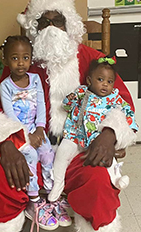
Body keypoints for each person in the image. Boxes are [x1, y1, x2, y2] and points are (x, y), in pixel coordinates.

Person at [0, 0, 137, 232]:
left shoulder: (91, 59)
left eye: (58, 20)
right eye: (43, 21)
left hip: (80, 147)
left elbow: (123, 103)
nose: (51, 27)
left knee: (99, 182)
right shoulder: (22, 63)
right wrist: (8, 144)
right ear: (33, 27)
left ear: (70, 23)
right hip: (31, 150)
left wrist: (109, 134)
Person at [0, 35, 70, 231]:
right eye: (14, 58)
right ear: (5, 60)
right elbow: (10, 114)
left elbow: (41, 105)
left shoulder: (36, 79)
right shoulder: (5, 86)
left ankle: (51, 194)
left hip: (36, 128)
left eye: (25, 58)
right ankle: (34, 200)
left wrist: (40, 128)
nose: (21, 63)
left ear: (31, 59)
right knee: (29, 154)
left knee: (48, 153)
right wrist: (25, 135)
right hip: (19, 132)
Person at [48, 57, 138, 202]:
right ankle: (58, 184)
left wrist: (123, 131)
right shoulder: (81, 92)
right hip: (75, 136)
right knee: (61, 155)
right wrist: (69, 99)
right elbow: (66, 106)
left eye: (109, 82)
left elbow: (127, 112)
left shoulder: (114, 97)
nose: (105, 85)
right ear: (89, 80)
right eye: (100, 79)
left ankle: (117, 180)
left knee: (106, 159)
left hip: (96, 139)